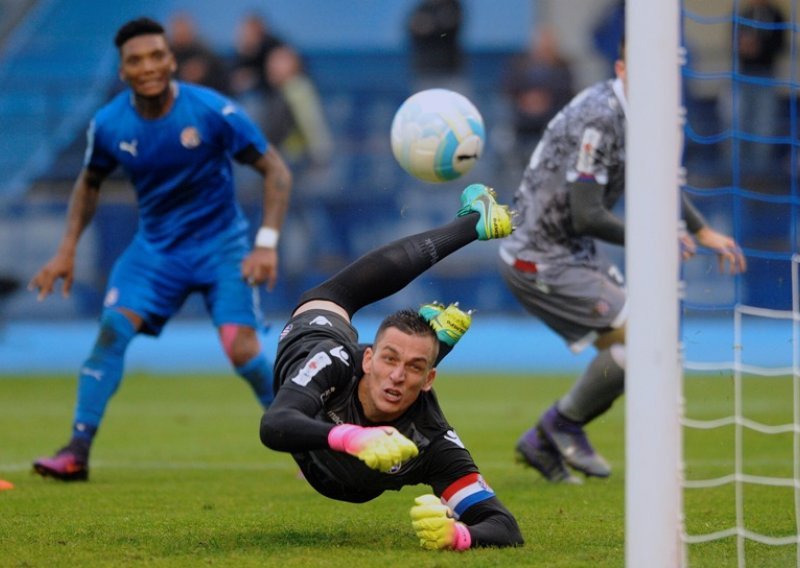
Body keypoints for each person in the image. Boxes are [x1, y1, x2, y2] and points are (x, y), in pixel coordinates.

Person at [29, 17, 293, 482]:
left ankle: (307, 448)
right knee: (112, 330)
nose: (148, 66)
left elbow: (276, 171)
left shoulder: (212, 111)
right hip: (155, 251)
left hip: (221, 248)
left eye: (156, 56)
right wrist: (66, 250)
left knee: (240, 348)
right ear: (124, 70)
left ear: (172, 60)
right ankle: (76, 450)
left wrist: (266, 244)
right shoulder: (110, 124)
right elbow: (88, 184)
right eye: (136, 60)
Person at [500, 40, 748, 484]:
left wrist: (699, 229)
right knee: (644, 341)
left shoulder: (640, 112)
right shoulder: (599, 118)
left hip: (572, 253)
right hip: (539, 256)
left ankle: (551, 435)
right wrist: (658, 236)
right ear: (621, 68)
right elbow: (586, 214)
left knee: (645, 348)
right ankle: (558, 428)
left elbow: (651, 176)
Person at [260, 184, 523, 550]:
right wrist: (354, 437)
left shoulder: (431, 437)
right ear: (366, 358)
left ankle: (434, 334)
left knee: (343, 305)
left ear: (431, 380)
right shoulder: (335, 363)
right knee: (328, 300)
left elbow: (504, 526)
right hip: (316, 347)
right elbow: (275, 425)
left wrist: (461, 535)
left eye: (416, 368)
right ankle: (470, 230)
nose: (398, 375)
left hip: (350, 481)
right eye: (388, 360)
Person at [503, 26, 575, 171]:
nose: (544, 45)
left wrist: (544, 100)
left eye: (548, 42)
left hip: (552, 115)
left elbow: (566, 90)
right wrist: (527, 100)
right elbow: (508, 88)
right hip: (523, 115)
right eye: (541, 41)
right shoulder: (520, 65)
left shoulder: (563, 66)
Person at [733, 0, 787, 172]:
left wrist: (759, 48)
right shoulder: (743, 14)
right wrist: (743, 47)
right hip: (742, 76)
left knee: (763, 125)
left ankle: (759, 173)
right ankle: (736, 171)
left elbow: (780, 44)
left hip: (765, 75)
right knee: (737, 123)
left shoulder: (776, 15)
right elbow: (733, 40)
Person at [263, 45, 333, 168]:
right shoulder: (281, 91)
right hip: (286, 158)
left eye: (278, 62)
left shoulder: (297, 89)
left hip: (295, 159)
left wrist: (320, 154)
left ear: (294, 65)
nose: (271, 67)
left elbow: (311, 122)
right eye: (270, 62)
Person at [167, 12, 230, 94]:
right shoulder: (166, 54)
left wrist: (204, 71)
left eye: (185, 30)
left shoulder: (204, 52)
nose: (181, 34)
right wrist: (182, 75)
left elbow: (222, 77)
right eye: (178, 31)